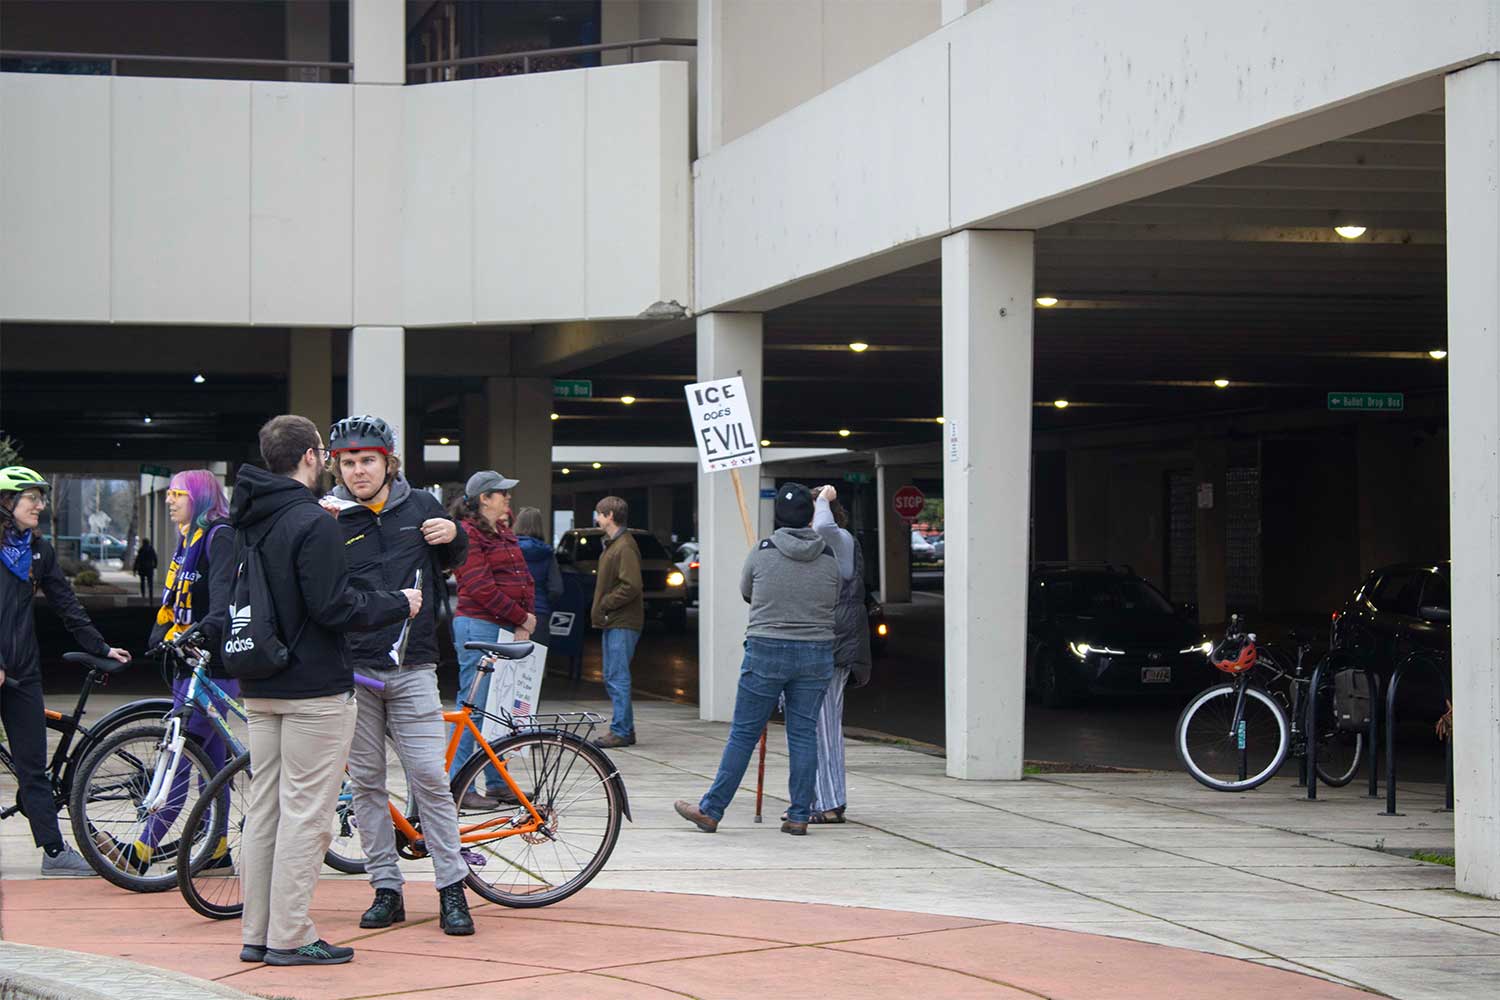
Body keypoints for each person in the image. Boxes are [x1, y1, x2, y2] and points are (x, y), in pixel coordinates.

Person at [232, 415, 420, 968]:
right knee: (307, 814)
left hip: (259, 682)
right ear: (312, 456)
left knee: (265, 810)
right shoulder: (312, 521)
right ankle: (290, 936)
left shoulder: (247, 518)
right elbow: (334, 607)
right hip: (314, 687)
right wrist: (398, 603)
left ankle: (258, 932)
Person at [319, 415, 475, 937]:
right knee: (366, 783)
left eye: (368, 460)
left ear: (389, 463)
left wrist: (454, 534)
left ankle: (452, 888)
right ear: (337, 467)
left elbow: (455, 559)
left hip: (414, 665)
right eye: (348, 462)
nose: (358, 470)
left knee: (429, 776)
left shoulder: (422, 506)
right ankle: (386, 888)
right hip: (354, 670)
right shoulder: (329, 516)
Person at [95, 471, 239, 876]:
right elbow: (176, 600)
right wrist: (165, 633)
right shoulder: (187, 540)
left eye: (178, 494)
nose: (169, 500)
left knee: (180, 754)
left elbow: (223, 600)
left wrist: (202, 631)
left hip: (213, 665)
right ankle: (218, 848)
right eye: (170, 493)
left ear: (200, 497)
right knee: (213, 765)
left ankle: (142, 849)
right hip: (186, 663)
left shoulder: (219, 536)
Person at [674, 483, 839, 835]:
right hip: (815, 651)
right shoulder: (827, 556)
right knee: (803, 734)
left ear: (777, 515)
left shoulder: (763, 552)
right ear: (810, 516)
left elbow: (747, 591)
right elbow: (834, 597)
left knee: (744, 734)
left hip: (767, 648)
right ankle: (799, 814)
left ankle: (711, 810)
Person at [0, 466, 132, 875]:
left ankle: (54, 853)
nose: (40, 505)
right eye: (32, 498)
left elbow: (66, 604)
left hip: (23, 672)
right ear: (7, 502)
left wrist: (100, 646)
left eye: (41, 497)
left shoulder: (39, 551)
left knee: (32, 768)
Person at [448, 470, 534, 806]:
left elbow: (522, 576)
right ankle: (460, 786)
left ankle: (497, 782)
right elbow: (481, 588)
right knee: (472, 709)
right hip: (479, 627)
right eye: (502, 493)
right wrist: (521, 617)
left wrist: (525, 617)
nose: (508, 497)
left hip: (502, 627)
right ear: (484, 498)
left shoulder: (501, 532)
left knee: (497, 711)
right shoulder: (467, 535)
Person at [806, 486, 871, 824]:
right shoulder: (826, 547)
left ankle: (828, 803)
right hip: (830, 642)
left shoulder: (839, 539)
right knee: (820, 725)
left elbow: (822, 527)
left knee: (824, 726)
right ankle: (824, 799)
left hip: (833, 644)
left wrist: (822, 499)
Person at [591, 496, 644, 749]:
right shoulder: (615, 544)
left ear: (610, 515)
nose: (596, 517)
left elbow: (631, 585)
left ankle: (621, 730)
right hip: (615, 620)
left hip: (622, 620)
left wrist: (605, 603)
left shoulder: (623, 546)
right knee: (614, 675)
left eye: (599, 513)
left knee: (617, 676)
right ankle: (625, 729)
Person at [513, 506, 563, 647]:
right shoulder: (547, 553)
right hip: (539, 614)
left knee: (506, 659)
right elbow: (556, 589)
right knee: (535, 659)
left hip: (511, 613)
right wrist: (545, 602)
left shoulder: (509, 550)